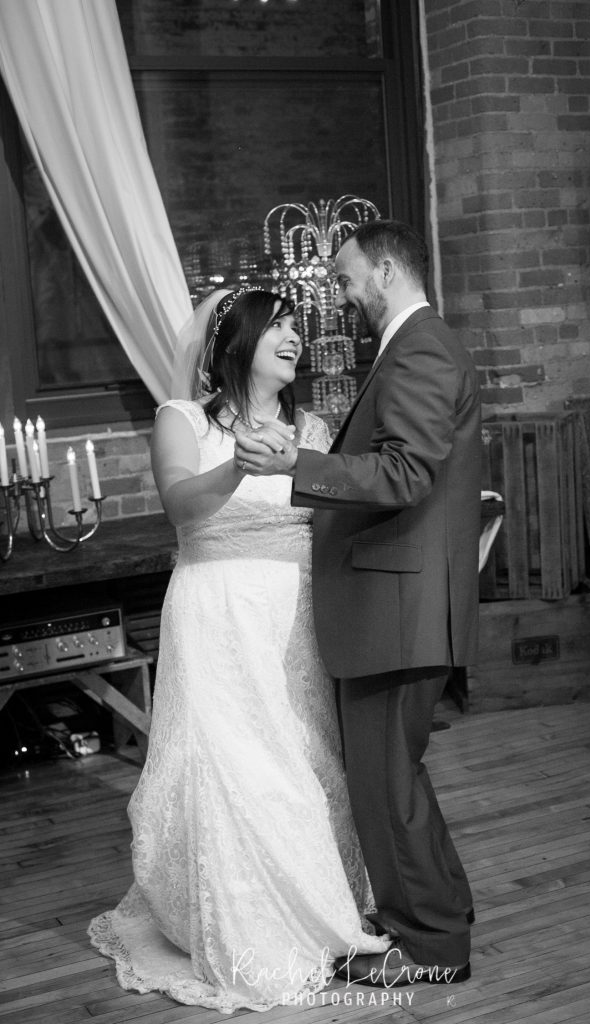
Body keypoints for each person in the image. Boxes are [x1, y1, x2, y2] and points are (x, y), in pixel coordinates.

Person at [88, 288, 390, 1015]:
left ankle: (321, 912)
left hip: (295, 612)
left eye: (294, 325)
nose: (293, 336)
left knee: (300, 761)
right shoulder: (182, 420)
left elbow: (334, 517)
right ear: (236, 344)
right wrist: (239, 469)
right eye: (276, 325)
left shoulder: (311, 427)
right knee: (230, 768)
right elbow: (179, 505)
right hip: (216, 611)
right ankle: (244, 927)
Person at [235, 220, 482, 987]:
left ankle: (431, 948)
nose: (339, 296)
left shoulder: (420, 348)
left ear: (384, 270)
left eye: (345, 278)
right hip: (396, 603)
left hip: (397, 606)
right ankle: (439, 915)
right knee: (393, 778)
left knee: (385, 784)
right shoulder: (413, 346)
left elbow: (405, 473)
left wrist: (298, 464)